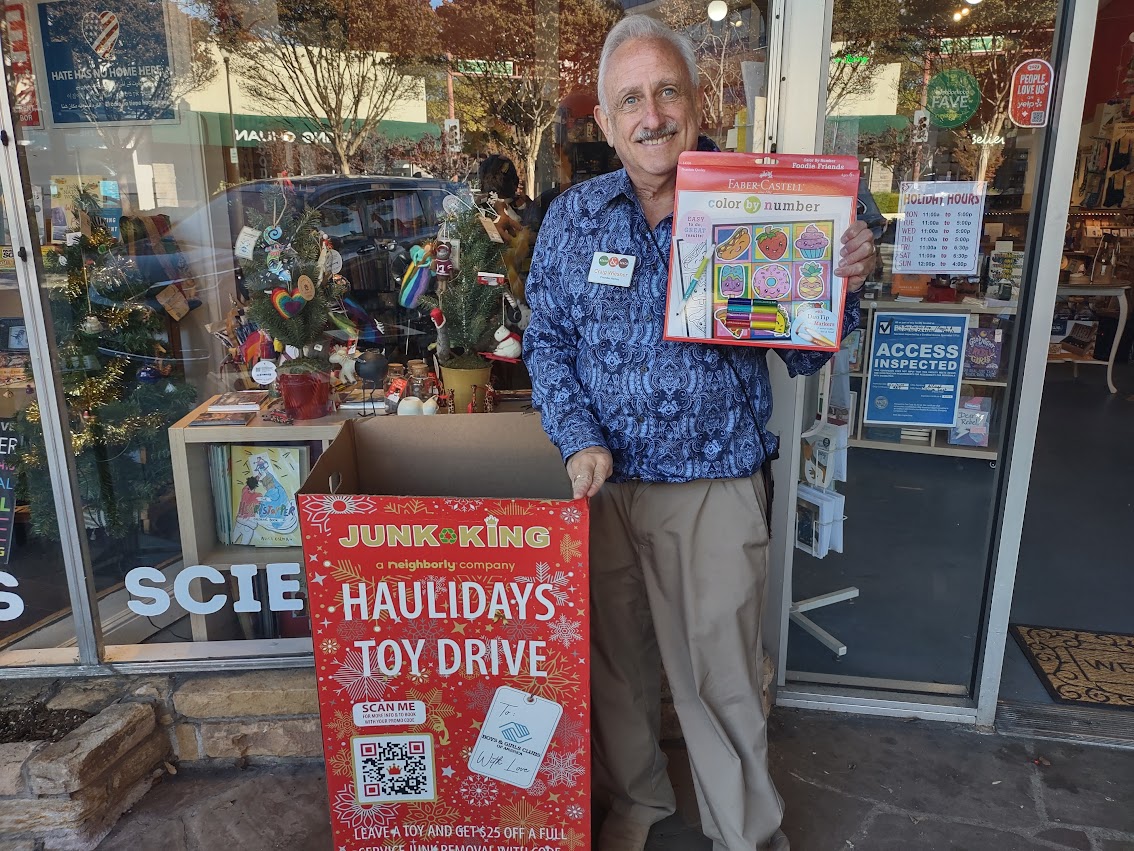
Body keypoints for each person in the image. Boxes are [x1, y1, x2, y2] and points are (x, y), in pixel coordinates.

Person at [521, 16, 875, 851]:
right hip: (602, 486)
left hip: (713, 485)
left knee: (721, 679)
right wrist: (577, 439)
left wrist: (841, 275)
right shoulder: (576, 218)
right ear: (605, 122)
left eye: (666, 92)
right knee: (616, 671)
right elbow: (547, 343)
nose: (651, 115)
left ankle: (745, 832)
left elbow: (798, 345)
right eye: (629, 99)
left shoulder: (753, 201)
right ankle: (639, 807)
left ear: (697, 100)